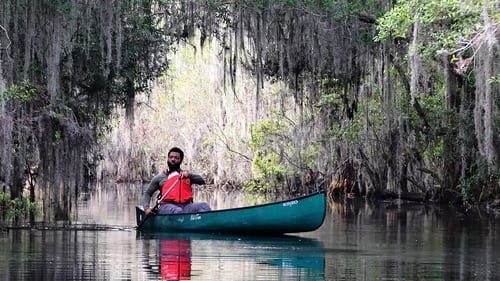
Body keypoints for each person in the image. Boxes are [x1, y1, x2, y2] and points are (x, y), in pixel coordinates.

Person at [143, 147, 211, 214]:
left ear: (180, 160)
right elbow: (148, 193)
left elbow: (202, 180)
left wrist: (189, 175)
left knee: (204, 206)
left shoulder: (186, 175)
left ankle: (200, 223)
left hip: (186, 206)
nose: (173, 159)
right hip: (166, 206)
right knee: (178, 211)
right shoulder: (160, 177)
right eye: (171, 157)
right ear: (168, 159)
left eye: (176, 158)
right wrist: (146, 208)